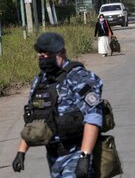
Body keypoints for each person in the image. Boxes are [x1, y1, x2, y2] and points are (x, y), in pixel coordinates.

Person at [12, 32, 103, 178]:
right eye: (40, 56)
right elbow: (33, 118)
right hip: (53, 158)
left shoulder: (79, 77)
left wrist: (85, 156)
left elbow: (93, 116)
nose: (43, 59)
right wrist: (21, 151)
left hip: (76, 153)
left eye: (47, 55)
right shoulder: (40, 81)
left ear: (61, 52)